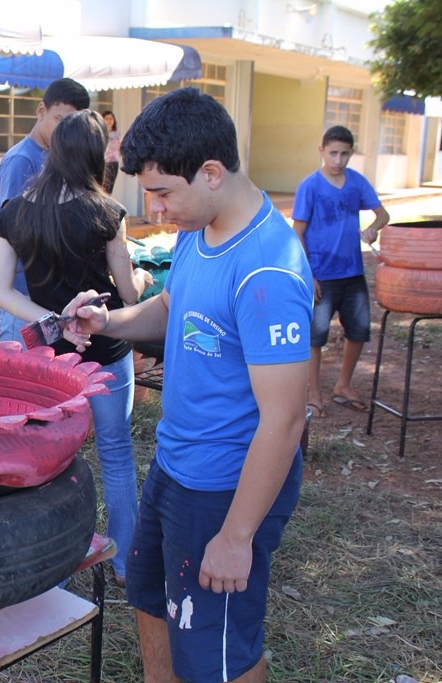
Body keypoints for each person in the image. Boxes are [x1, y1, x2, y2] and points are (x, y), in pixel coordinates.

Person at [62, 87, 312, 683]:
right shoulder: (199, 231)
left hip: (226, 487)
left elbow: (284, 421)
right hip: (177, 465)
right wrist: (110, 320)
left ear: (210, 172)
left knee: (220, 648)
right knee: (151, 598)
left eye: (163, 192)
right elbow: (175, 307)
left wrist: (237, 534)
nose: (154, 208)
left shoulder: (267, 273)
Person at [0, 109, 153, 586]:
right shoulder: (107, 213)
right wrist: (141, 275)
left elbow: (0, 291)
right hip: (105, 349)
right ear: (98, 154)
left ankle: (53, 570)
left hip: (51, 358)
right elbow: (127, 292)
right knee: (117, 454)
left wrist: (50, 321)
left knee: (51, 462)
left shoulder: (15, 211)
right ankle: (125, 562)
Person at [292, 125, 389, 418]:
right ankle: (313, 394)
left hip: (353, 273)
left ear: (351, 154)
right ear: (322, 151)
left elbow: (382, 214)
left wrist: (373, 228)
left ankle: (343, 386)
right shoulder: (310, 186)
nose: (338, 160)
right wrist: (309, 274)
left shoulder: (357, 183)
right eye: (333, 153)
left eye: (344, 154)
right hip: (322, 274)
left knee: (358, 331)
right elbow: (297, 233)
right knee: (315, 337)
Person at [0, 77, 91, 345]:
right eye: (60, 120)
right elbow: (14, 230)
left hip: (46, 297)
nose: (65, 131)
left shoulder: (56, 157)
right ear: (41, 111)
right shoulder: (20, 160)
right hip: (21, 297)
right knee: (21, 376)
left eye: (73, 125)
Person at [102, 110, 121, 194]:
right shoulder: (100, 132)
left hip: (113, 162)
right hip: (103, 162)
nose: (109, 121)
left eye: (111, 118)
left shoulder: (117, 132)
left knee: (109, 188)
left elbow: (119, 147)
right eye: (107, 118)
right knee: (102, 187)